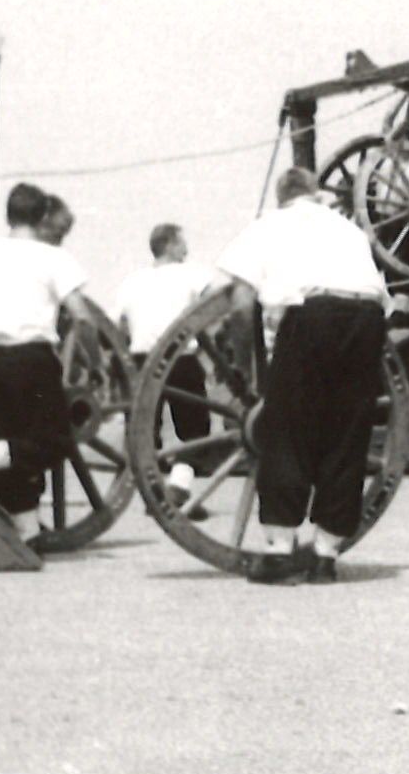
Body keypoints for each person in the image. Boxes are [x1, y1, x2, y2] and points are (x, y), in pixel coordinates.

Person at [212, 167, 386, 586]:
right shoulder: (349, 229)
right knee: (347, 435)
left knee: (287, 429)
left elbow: (240, 304)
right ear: (316, 193)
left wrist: (244, 366)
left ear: (282, 196)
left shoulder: (267, 226)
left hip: (313, 317)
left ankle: (279, 552)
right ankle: (325, 557)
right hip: (367, 318)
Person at [0, 183, 94, 542]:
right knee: (55, 440)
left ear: (7, 215)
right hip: (32, 359)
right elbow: (82, 317)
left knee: (6, 442)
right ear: (43, 216)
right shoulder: (53, 257)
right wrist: (96, 362)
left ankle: (26, 533)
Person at [115, 223, 215, 517]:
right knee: (195, 429)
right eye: (182, 243)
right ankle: (179, 488)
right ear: (170, 244)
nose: (187, 249)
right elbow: (215, 304)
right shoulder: (192, 274)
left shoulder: (132, 281)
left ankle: (155, 494)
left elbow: (117, 324)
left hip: (141, 361)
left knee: (145, 431)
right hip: (179, 359)